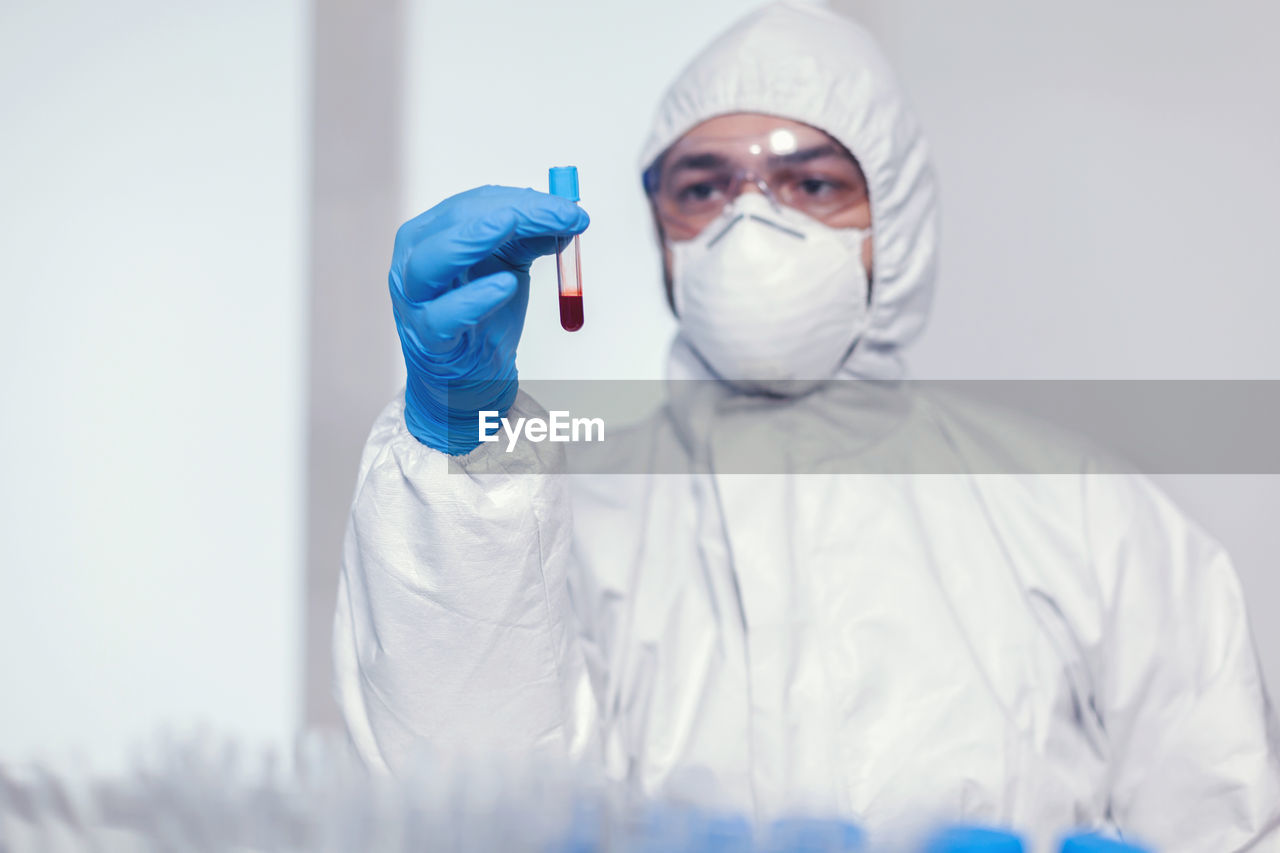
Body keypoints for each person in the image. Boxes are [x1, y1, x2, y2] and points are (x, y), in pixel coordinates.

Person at [331, 2, 1280, 850]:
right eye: (703, 188)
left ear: (895, 220)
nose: (752, 222)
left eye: (812, 185)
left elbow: (1229, 820)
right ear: (660, 233)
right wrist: (464, 456)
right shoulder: (567, 512)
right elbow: (466, 807)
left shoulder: (1085, 515)